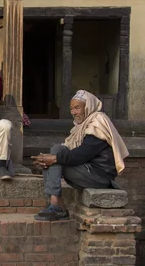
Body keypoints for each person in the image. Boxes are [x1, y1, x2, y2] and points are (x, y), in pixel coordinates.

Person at [32, 90, 129, 221]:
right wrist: (50, 158)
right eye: (72, 109)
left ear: (88, 106)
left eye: (77, 108)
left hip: (99, 176)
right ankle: (57, 204)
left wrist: (55, 159)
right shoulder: (84, 124)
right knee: (55, 150)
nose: (74, 112)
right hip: (86, 171)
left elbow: (82, 154)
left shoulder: (98, 122)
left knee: (54, 159)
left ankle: (56, 205)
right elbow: (69, 151)